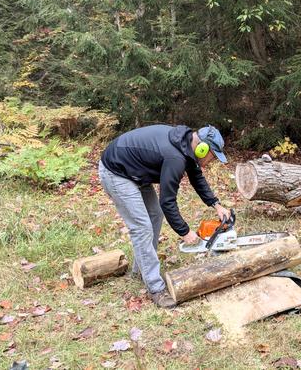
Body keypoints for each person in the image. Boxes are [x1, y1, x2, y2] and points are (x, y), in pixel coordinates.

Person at [98, 124, 230, 308]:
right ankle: (155, 289)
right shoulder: (175, 156)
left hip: (135, 169)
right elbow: (167, 201)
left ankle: (140, 270)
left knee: (154, 214)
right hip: (116, 172)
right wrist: (184, 232)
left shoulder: (185, 146)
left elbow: (196, 177)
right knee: (141, 227)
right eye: (212, 156)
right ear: (203, 148)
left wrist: (216, 204)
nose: (211, 161)